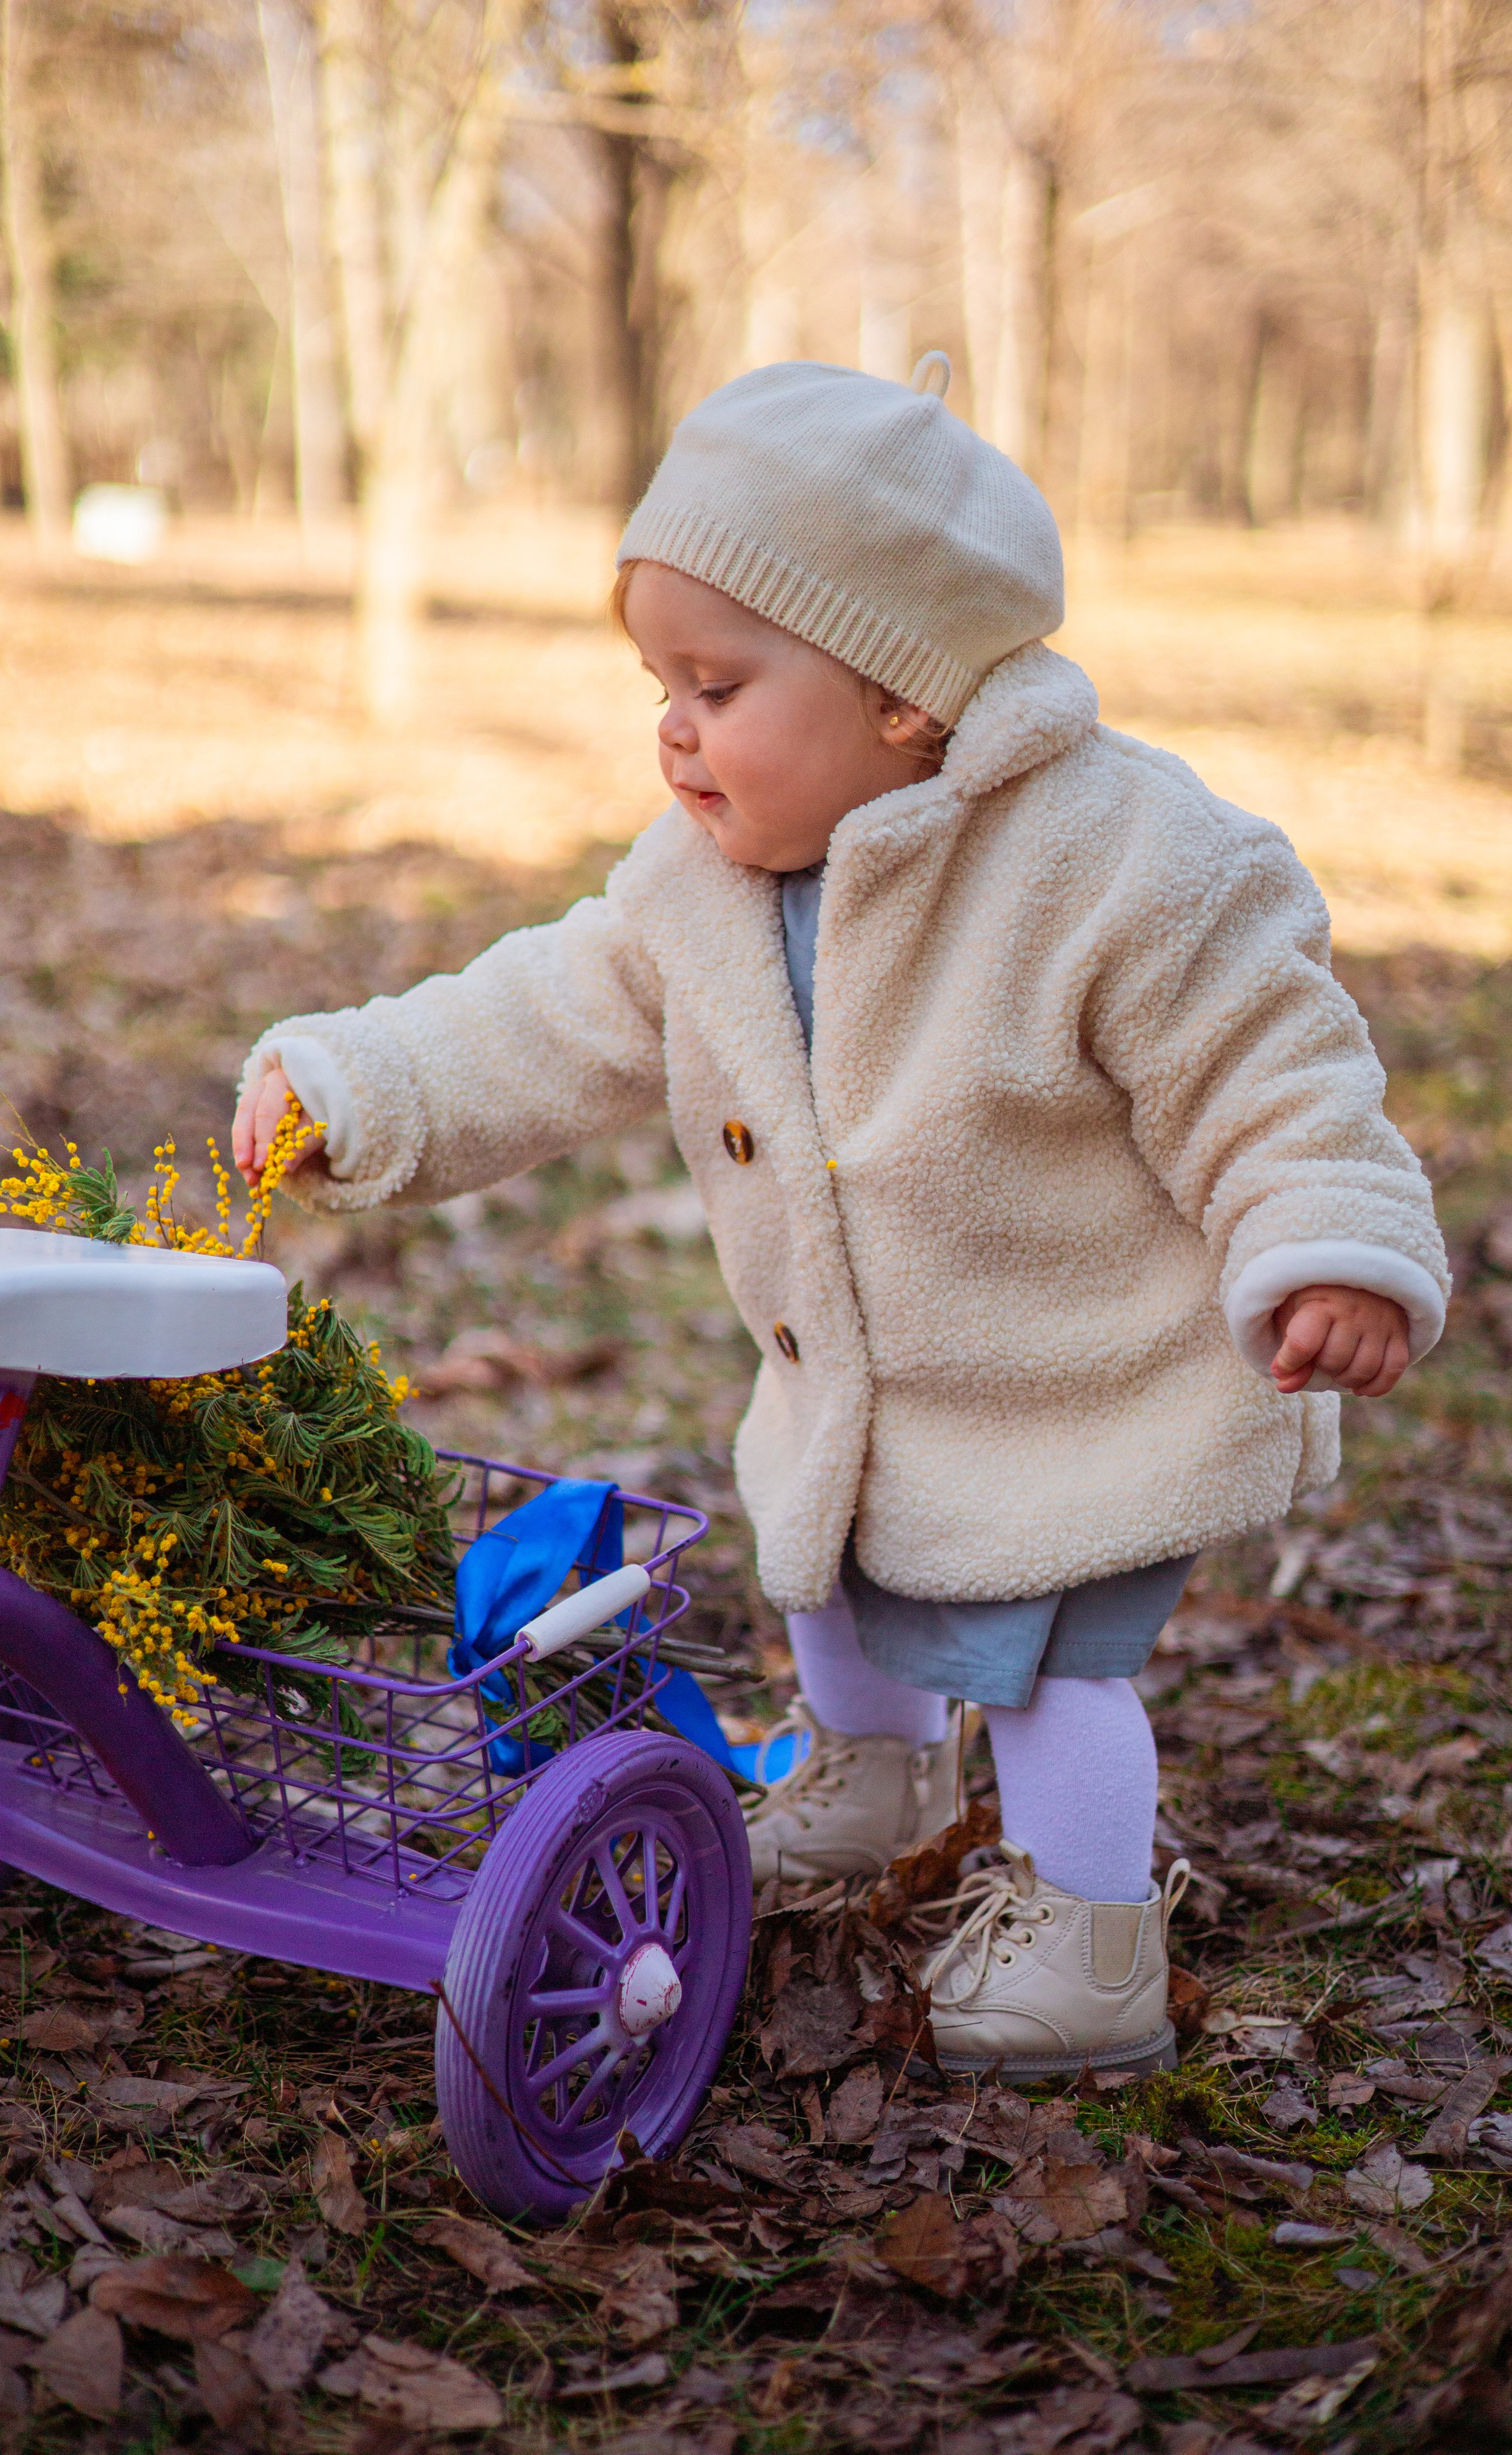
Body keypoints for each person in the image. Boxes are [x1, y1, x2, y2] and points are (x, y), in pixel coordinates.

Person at [232, 356, 1447, 2080]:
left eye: (717, 683)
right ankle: (876, 1783)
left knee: (1041, 1669)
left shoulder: (1122, 864)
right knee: (835, 1583)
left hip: (1077, 1385)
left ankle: (1091, 1937)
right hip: (855, 1381)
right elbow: (536, 1012)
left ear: (902, 695)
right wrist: (365, 1082)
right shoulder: (696, 886)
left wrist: (1327, 1239)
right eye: (657, 681)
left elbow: (1271, 1067)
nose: (670, 726)